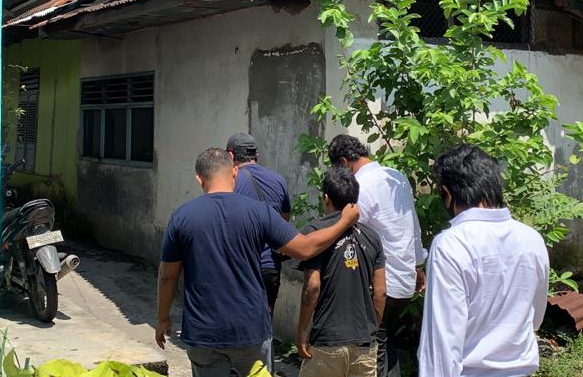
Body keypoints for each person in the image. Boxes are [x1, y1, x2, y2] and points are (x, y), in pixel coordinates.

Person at [156, 148, 360, 377]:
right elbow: (305, 248)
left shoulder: (182, 217)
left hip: (204, 331)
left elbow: (168, 276)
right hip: (250, 328)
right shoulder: (259, 212)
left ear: (199, 178)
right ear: (234, 172)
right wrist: (343, 222)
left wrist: (163, 318)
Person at [418, 144, 549, 377]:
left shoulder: (451, 244)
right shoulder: (532, 239)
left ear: (447, 194)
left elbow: (441, 343)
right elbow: (535, 317)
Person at [328, 135, 426, 377]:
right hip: (403, 279)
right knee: (383, 342)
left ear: (343, 162)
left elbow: (348, 231)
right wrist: (417, 265)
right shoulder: (397, 177)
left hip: (379, 285)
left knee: (373, 349)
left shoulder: (360, 186)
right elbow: (412, 224)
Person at [296, 167, 386, 377]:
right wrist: (370, 329)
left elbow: (312, 287)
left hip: (327, 341)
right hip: (364, 343)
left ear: (326, 198)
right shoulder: (372, 236)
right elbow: (380, 292)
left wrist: (302, 331)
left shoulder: (315, 233)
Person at [227, 132, 292, 315]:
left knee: (238, 321)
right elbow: (284, 220)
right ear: (256, 155)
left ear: (230, 155)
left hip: (241, 266)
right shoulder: (278, 180)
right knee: (265, 323)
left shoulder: (231, 181)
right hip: (269, 265)